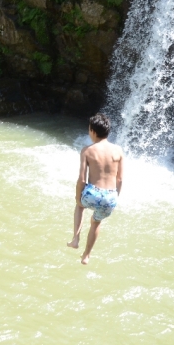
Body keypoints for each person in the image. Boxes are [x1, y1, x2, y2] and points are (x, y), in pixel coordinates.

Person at [66, 113, 124, 265]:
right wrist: (115, 198)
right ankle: (86, 256)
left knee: (79, 206)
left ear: (92, 131)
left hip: (92, 194)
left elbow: (82, 179)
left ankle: (75, 239)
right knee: (96, 222)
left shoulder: (87, 150)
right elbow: (120, 179)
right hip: (110, 197)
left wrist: (78, 197)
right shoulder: (118, 151)